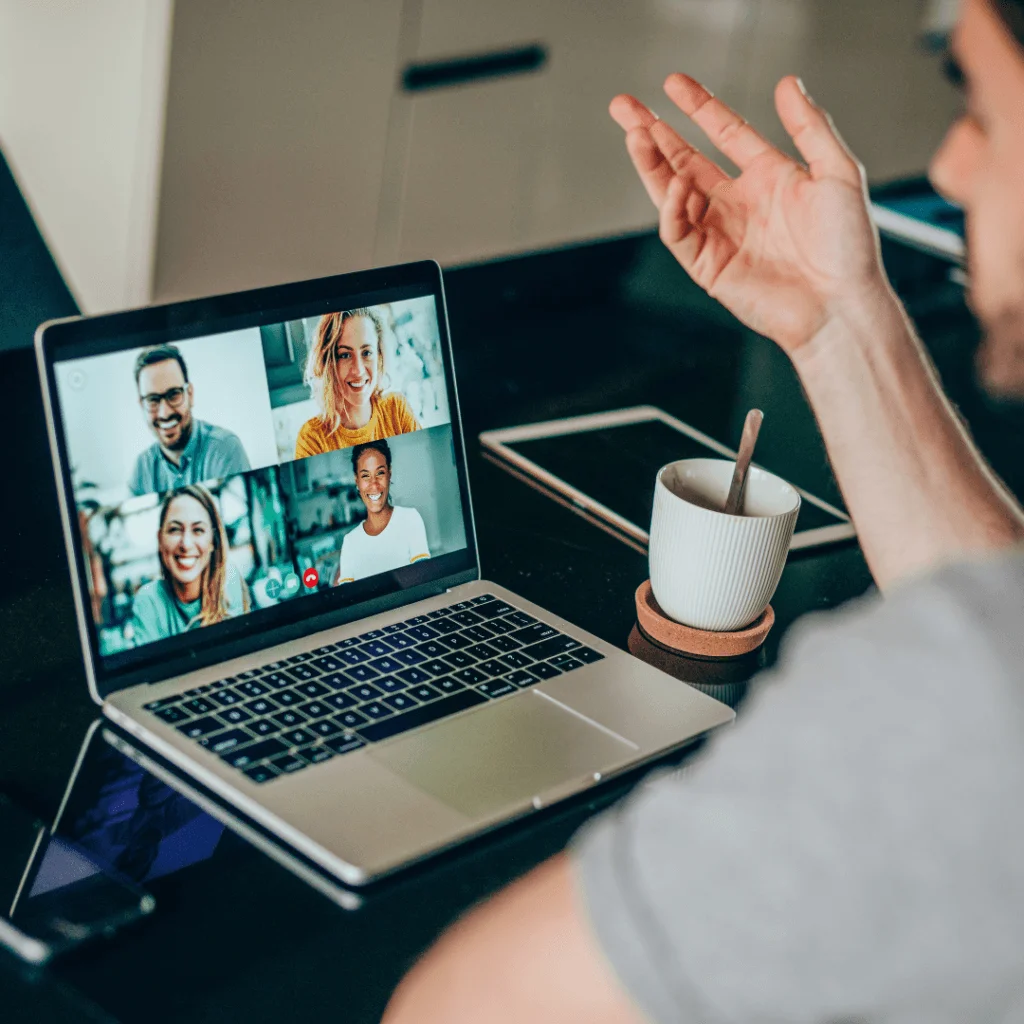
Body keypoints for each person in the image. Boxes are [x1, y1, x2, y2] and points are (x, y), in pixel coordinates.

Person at [383, 1, 1024, 1020]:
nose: (948, 168)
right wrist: (835, 316)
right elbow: (999, 609)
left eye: (984, 111)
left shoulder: (957, 721)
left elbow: (459, 1006)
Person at [128, 484, 247, 646]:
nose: (186, 544)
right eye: (175, 530)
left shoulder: (228, 579)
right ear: (160, 540)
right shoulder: (148, 601)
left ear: (213, 540)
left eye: (198, 530)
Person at [294, 308, 420, 459]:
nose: (358, 370)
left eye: (366, 353)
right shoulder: (312, 438)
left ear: (379, 356)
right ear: (328, 363)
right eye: (345, 355)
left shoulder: (396, 410)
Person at [129, 345, 251, 496]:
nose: (164, 413)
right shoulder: (141, 469)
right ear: (142, 405)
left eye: (173, 394)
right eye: (152, 400)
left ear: (190, 395)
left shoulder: (224, 449)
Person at [333, 440, 430, 584]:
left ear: (389, 474)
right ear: (357, 481)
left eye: (380, 473)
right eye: (365, 475)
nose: (374, 484)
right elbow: (348, 598)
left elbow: (424, 580)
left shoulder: (410, 519)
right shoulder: (350, 542)